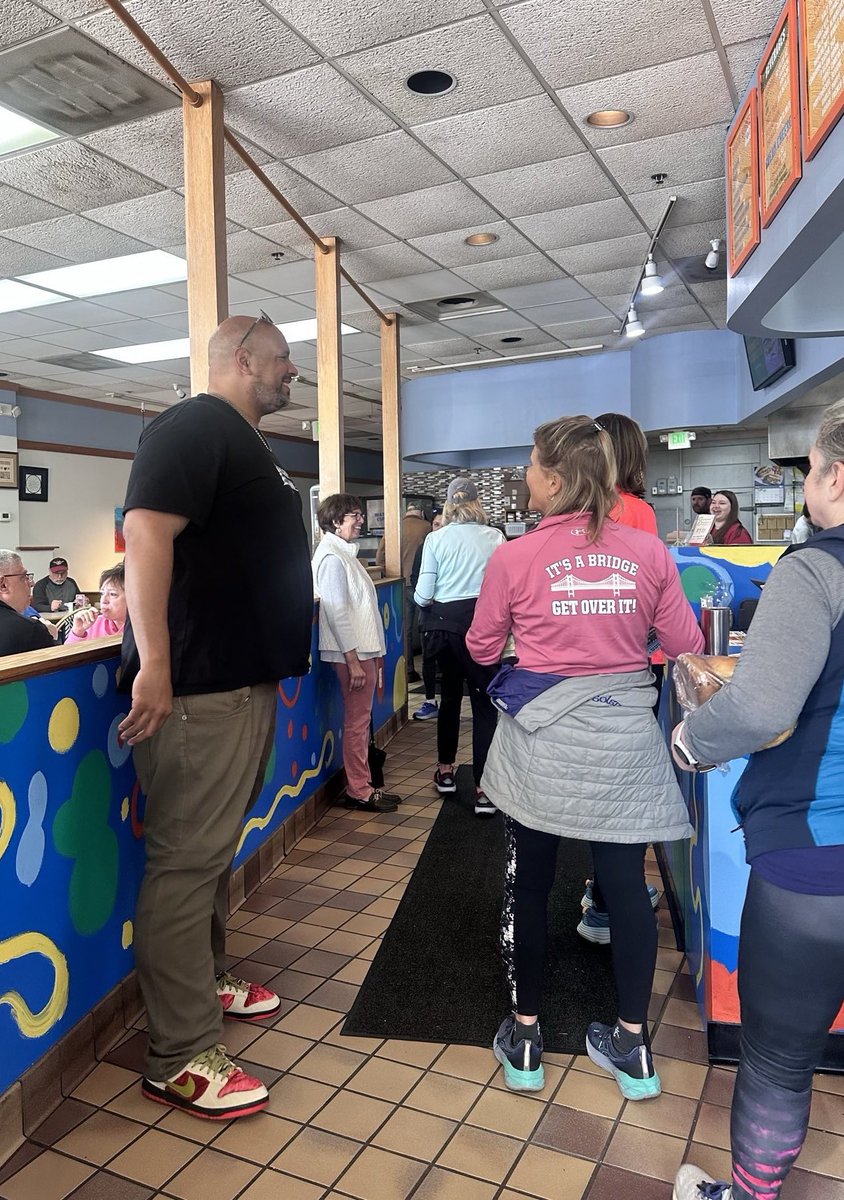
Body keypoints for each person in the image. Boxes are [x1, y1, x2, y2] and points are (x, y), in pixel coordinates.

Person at [465, 416, 703, 1097]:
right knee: (626, 891)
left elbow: (483, 649)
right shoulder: (649, 552)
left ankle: (527, 1038)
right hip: (624, 738)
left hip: (541, 739)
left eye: (532, 466)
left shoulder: (512, 558)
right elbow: (682, 639)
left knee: (529, 886)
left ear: (556, 479)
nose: (526, 476)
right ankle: (633, 1049)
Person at [117, 312, 313, 1121]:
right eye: (282, 363)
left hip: (237, 686)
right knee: (185, 865)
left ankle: (207, 980)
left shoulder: (238, 441)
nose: (290, 375)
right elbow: (145, 535)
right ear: (241, 359)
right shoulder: (191, 425)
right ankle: (178, 1054)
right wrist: (156, 666)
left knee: (210, 856)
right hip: (197, 693)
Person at [670, 399, 844, 1200]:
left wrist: (692, 741)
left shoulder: (817, 571)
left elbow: (765, 706)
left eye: (809, 467)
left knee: (777, 1058)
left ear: (835, 477)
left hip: (818, 857)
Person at [577, 413, 662, 944]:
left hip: (582, 675)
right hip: (632, 670)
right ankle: (607, 904)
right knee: (626, 793)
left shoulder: (580, 512)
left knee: (600, 790)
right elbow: (652, 597)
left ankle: (601, 886)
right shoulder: (639, 513)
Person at [415, 478, 504, 816]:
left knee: (450, 699)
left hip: (445, 630)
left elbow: (424, 594)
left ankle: (446, 771)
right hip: (483, 627)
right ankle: (484, 789)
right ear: (477, 502)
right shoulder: (495, 537)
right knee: (484, 706)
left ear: (449, 504)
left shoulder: (436, 538)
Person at [312, 494, 399, 814]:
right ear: (335, 521)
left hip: (361, 652)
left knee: (360, 723)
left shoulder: (343, 555)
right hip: (353, 655)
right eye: (354, 515)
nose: (361, 520)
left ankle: (364, 785)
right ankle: (359, 790)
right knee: (357, 724)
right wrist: (353, 660)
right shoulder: (333, 559)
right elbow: (337, 613)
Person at [376, 503, 432, 682]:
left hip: (399, 585)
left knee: (405, 630)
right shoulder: (427, 527)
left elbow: (379, 557)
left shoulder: (393, 528)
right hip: (421, 584)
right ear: (421, 513)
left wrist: (392, 573)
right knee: (425, 628)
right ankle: (429, 670)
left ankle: (408, 671)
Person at [411, 511, 444, 721]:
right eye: (435, 524)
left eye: (442, 524)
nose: (438, 528)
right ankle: (430, 700)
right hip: (429, 613)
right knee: (428, 658)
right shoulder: (424, 548)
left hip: (450, 615)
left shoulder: (454, 548)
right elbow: (415, 577)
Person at [0, 551, 54, 656]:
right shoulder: (31, 630)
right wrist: (48, 635)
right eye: (24, 577)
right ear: (3, 585)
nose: (32, 583)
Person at [65, 562, 127, 643]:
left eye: (112, 594)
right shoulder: (93, 622)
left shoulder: (141, 628)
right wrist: (78, 631)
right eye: (102, 593)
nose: (103, 600)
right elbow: (67, 653)